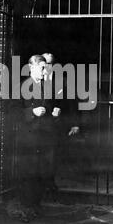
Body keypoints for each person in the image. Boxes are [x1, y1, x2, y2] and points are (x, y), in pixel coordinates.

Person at [9, 55, 60, 222]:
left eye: (46, 68)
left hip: (45, 136)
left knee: (42, 172)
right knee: (28, 173)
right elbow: (12, 112)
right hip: (28, 138)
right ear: (31, 68)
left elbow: (52, 108)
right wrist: (31, 112)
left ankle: (36, 206)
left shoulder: (49, 87)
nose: (45, 71)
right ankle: (26, 207)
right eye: (42, 68)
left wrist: (55, 114)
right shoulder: (20, 87)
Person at [42, 53, 80, 194]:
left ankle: (49, 184)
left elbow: (72, 104)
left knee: (52, 156)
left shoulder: (63, 82)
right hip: (36, 126)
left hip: (56, 125)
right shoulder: (32, 82)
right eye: (43, 62)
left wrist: (75, 124)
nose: (46, 66)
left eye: (49, 63)